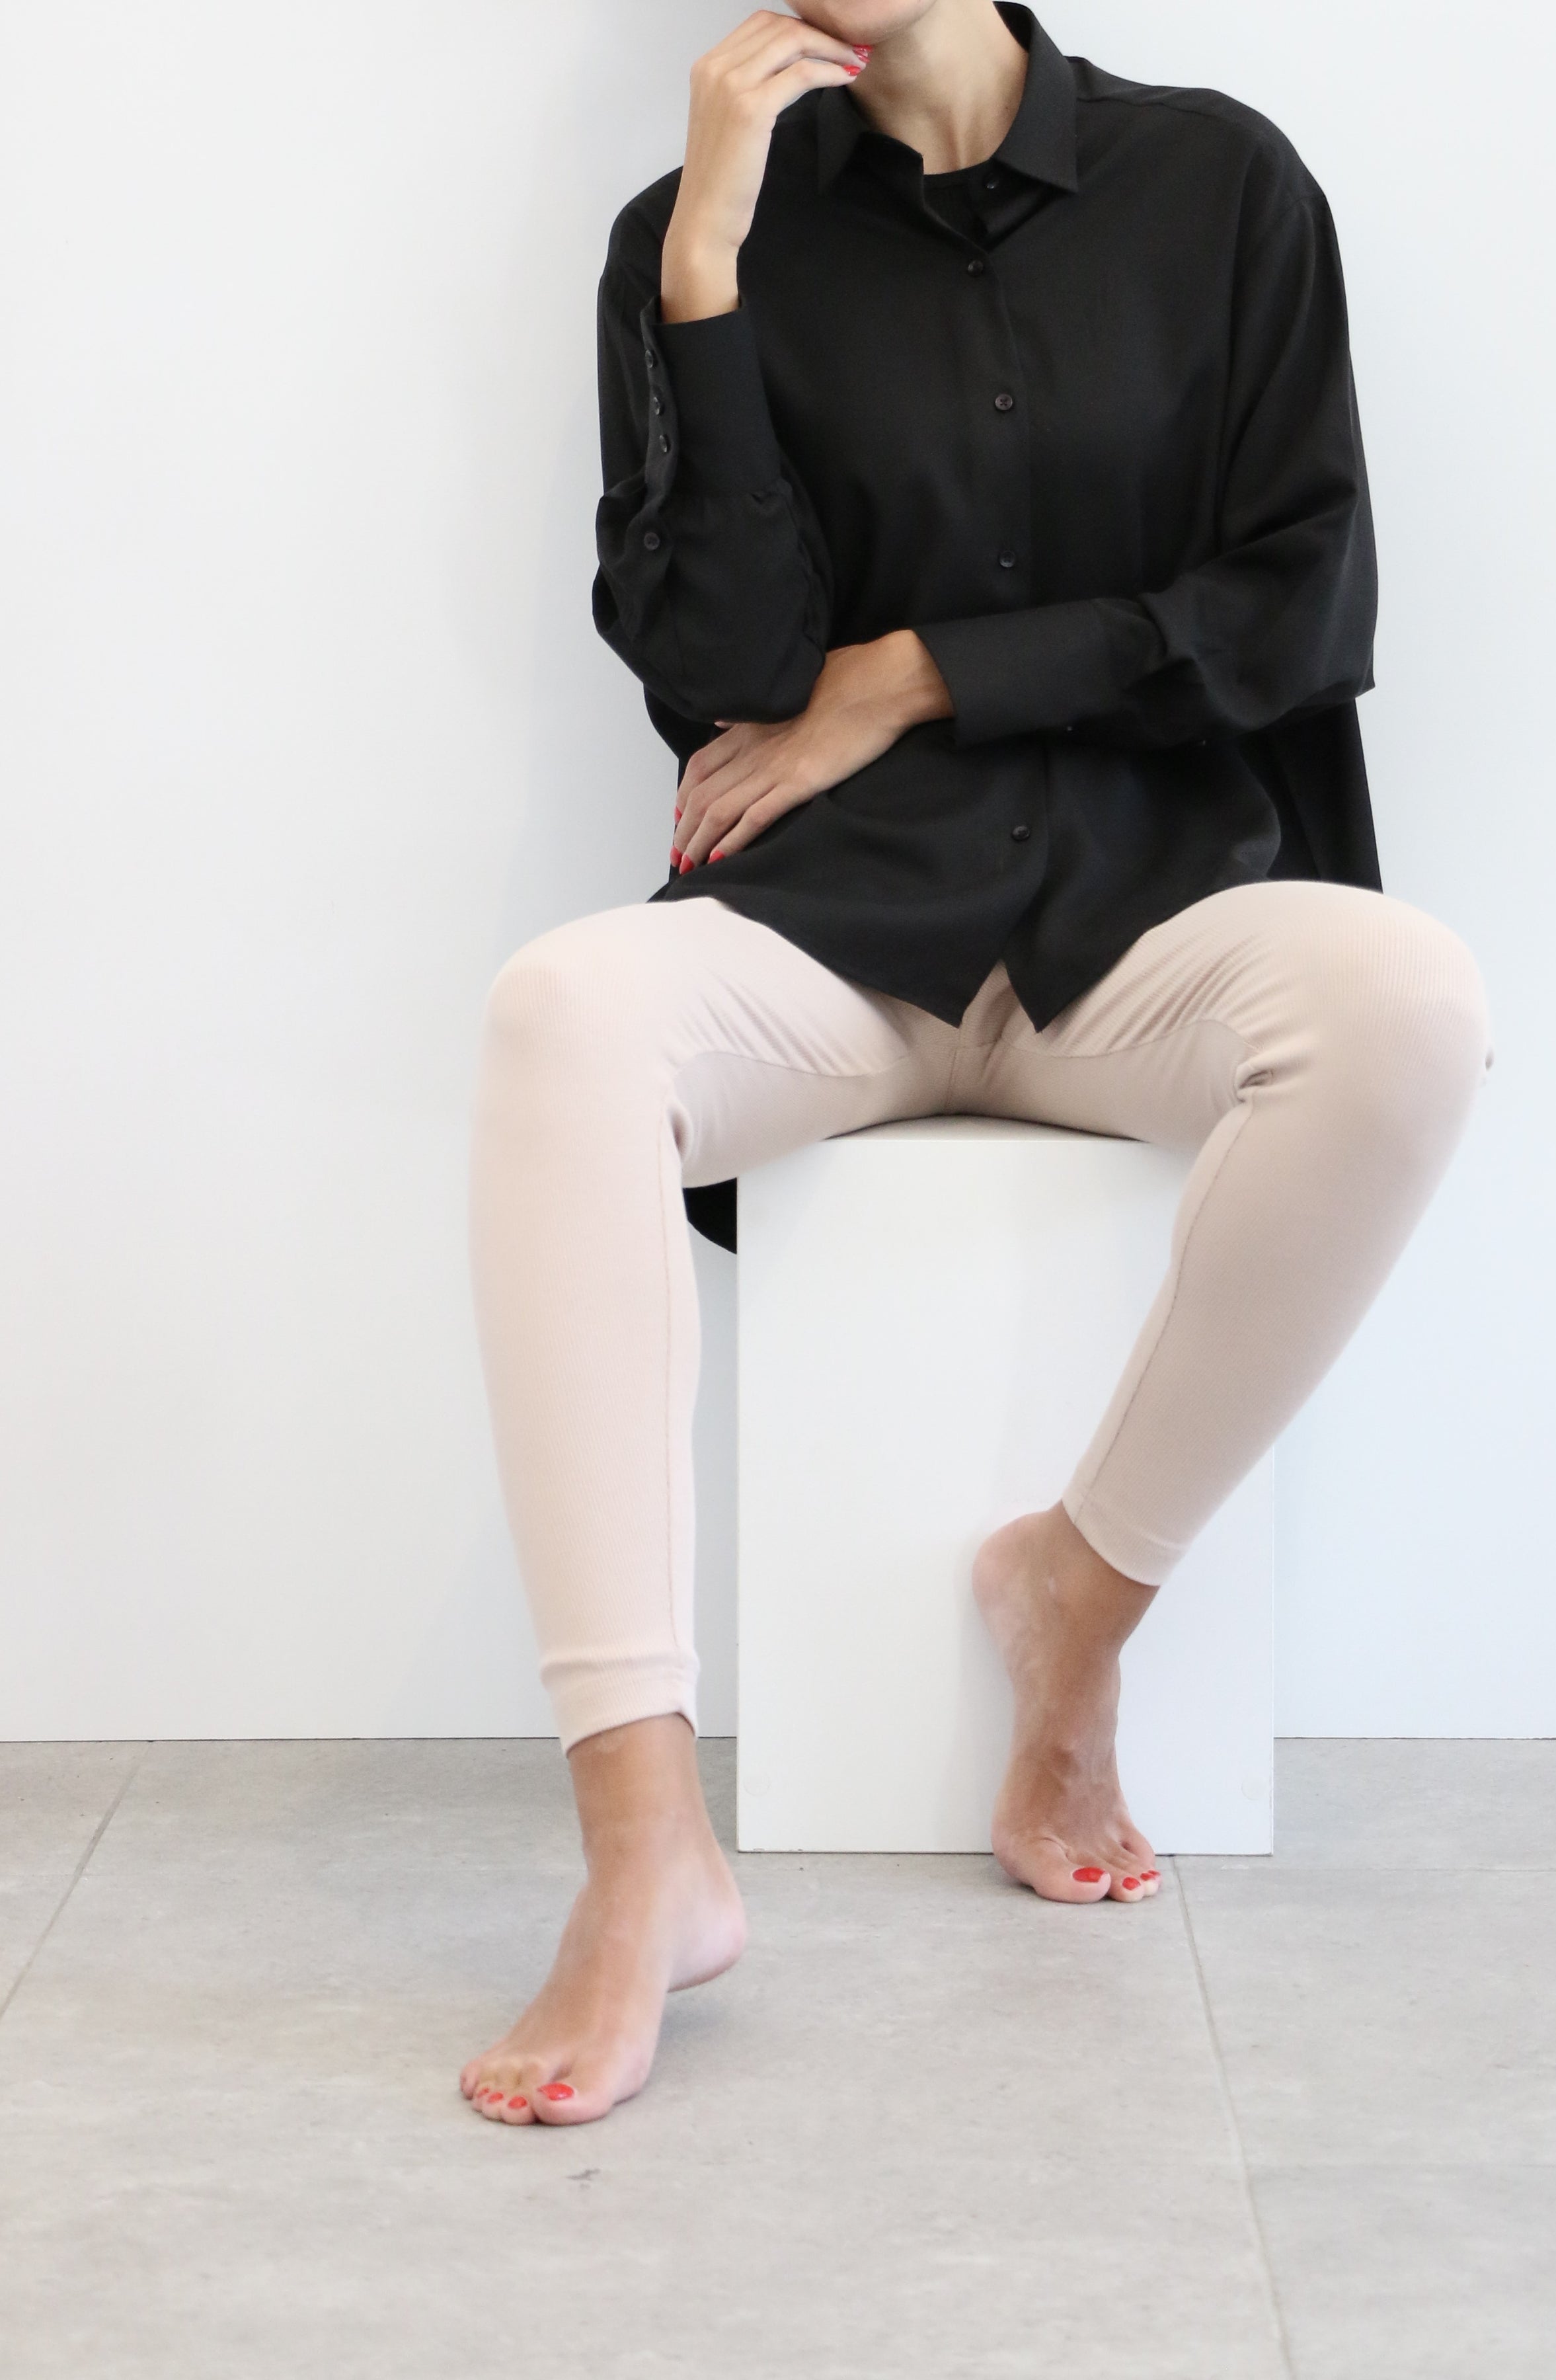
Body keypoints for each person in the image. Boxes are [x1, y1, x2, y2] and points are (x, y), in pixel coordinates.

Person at [460, 1, 1492, 2128]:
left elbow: (1298, 606)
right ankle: (645, 1855)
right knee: (563, 1012)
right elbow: (724, 672)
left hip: (1146, 927)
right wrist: (705, 275)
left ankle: (1078, 1598)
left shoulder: (1221, 187)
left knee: (1405, 1000)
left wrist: (924, 672)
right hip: (850, 940)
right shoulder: (688, 230)